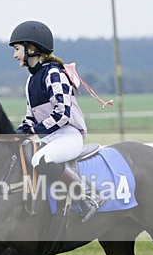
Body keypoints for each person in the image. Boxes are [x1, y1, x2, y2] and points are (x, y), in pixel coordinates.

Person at [8, 20, 100, 222]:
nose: (15, 55)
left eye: (17, 49)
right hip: (50, 136)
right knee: (23, 154)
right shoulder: (30, 80)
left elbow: (62, 113)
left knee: (41, 160)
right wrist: (14, 133)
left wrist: (34, 129)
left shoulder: (54, 73)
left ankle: (87, 197)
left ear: (31, 49)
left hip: (68, 135)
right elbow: (30, 116)